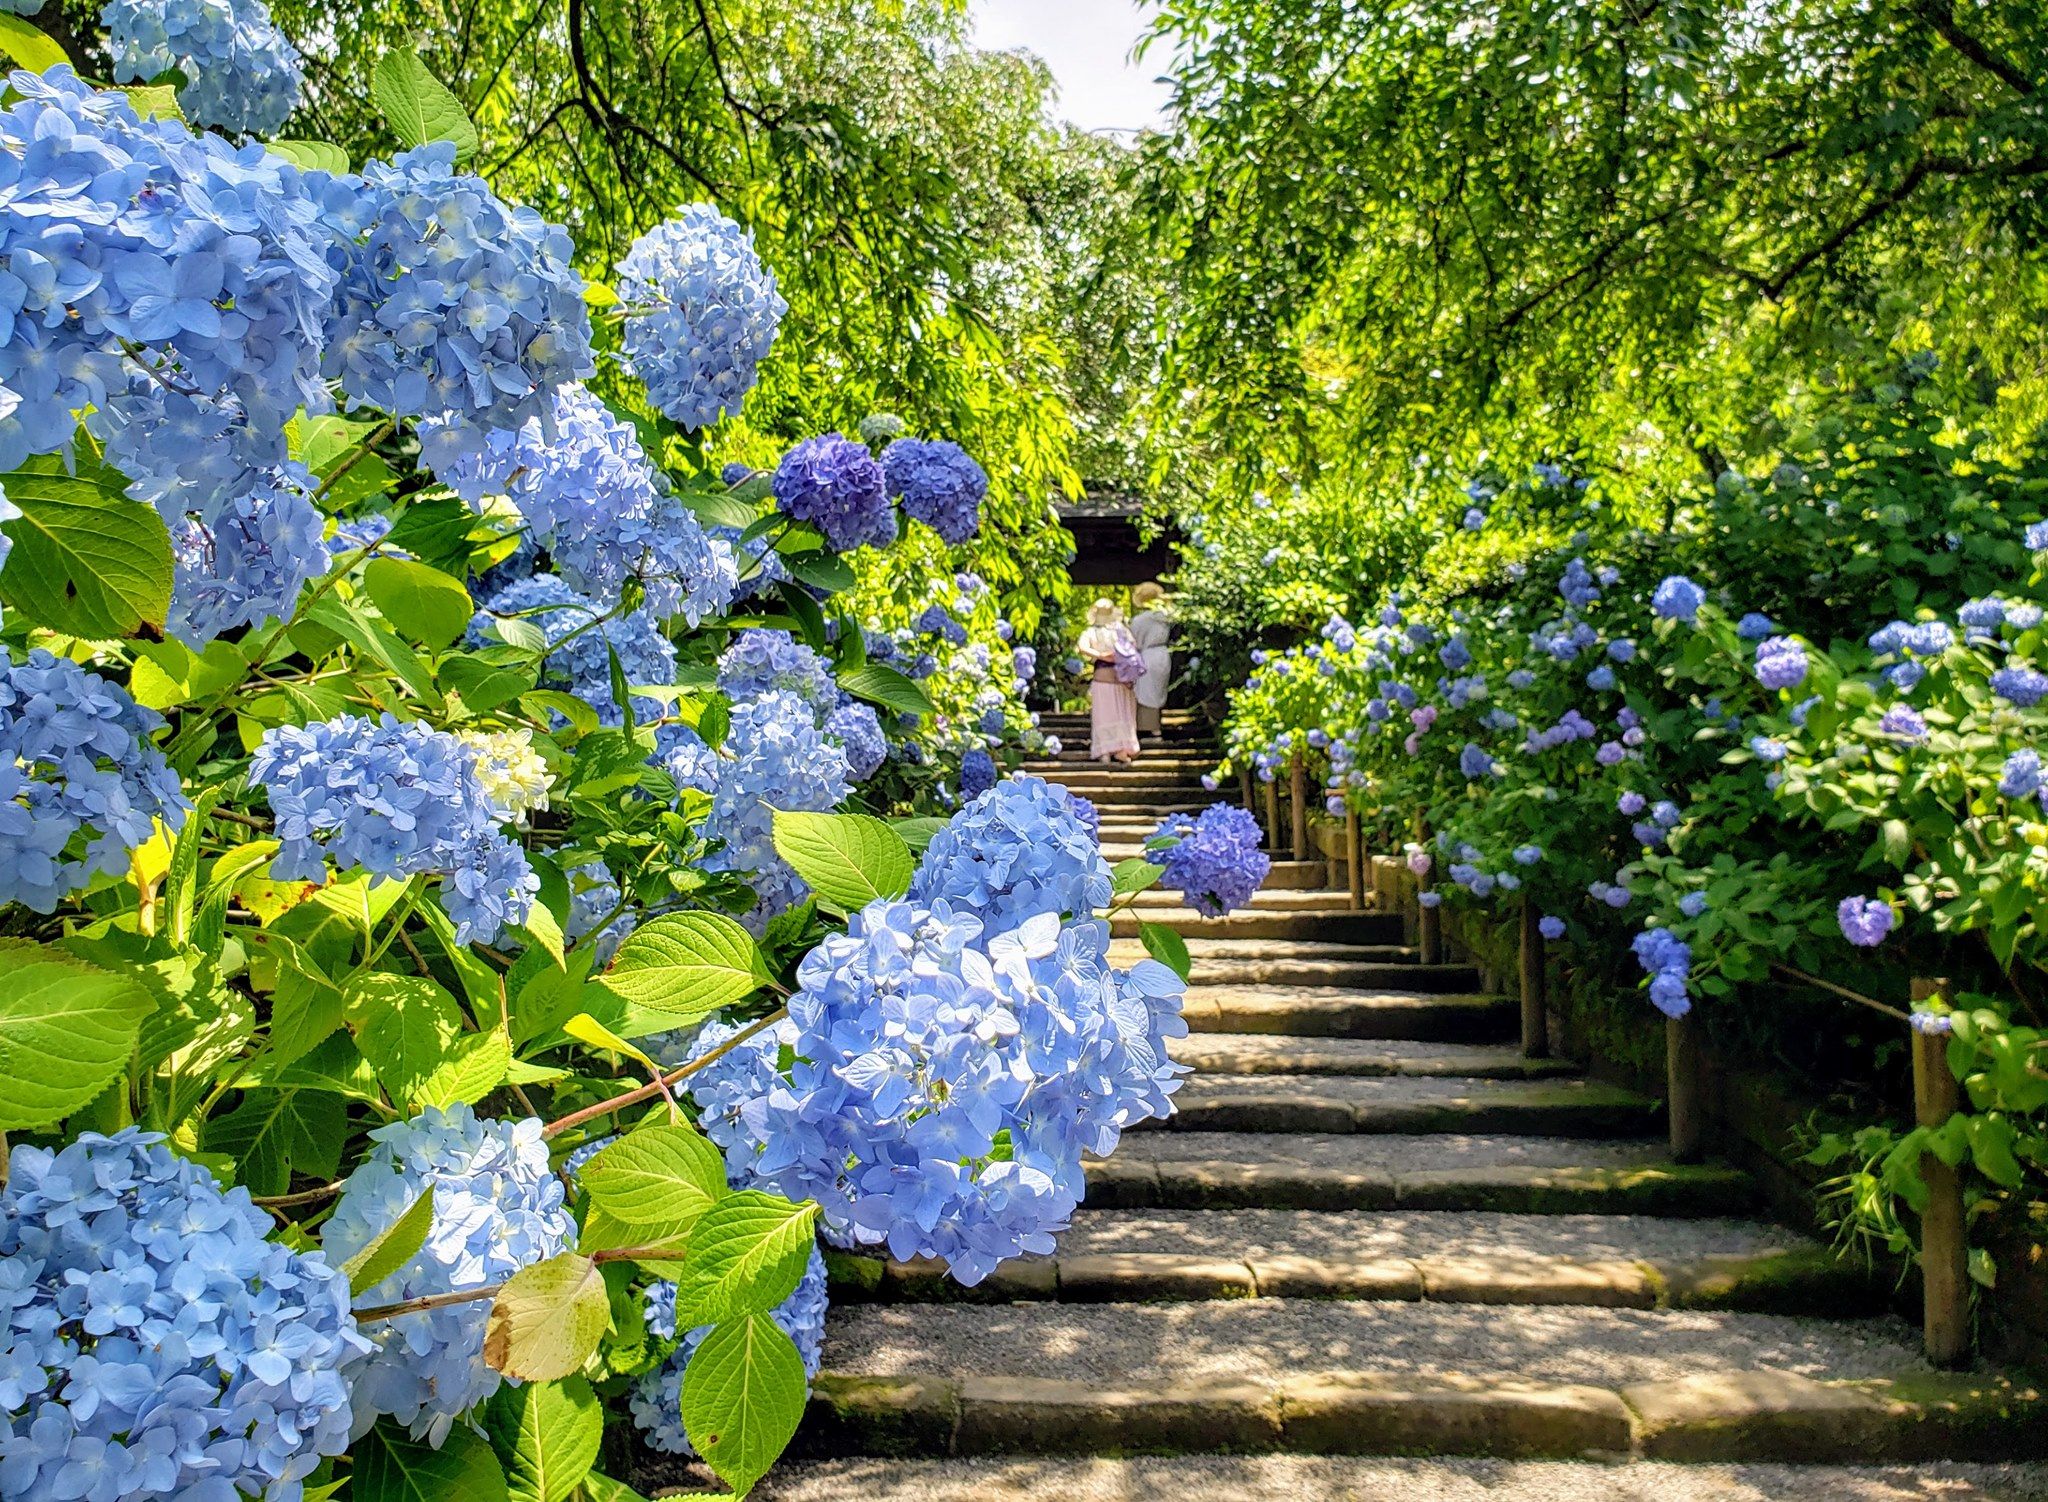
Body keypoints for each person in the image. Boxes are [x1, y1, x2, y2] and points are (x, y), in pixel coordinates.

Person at [1076, 598, 1140, 764]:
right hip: (1119, 676)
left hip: (1106, 676)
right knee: (1120, 714)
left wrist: (1099, 655)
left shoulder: (1092, 632)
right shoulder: (1120, 631)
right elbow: (1133, 647)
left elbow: (1082, 647)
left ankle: (1109, 750)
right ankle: (1119, 750)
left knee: (1105, 715)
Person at [1130, 582, 1172, 737]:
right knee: (1156, 690)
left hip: (1147, 655)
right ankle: (1154, 726)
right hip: (1162, 653)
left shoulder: (1140, 620)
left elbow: (1135, 641)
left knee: (1146, 692)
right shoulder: (1165, 616)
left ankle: (1148, 728)